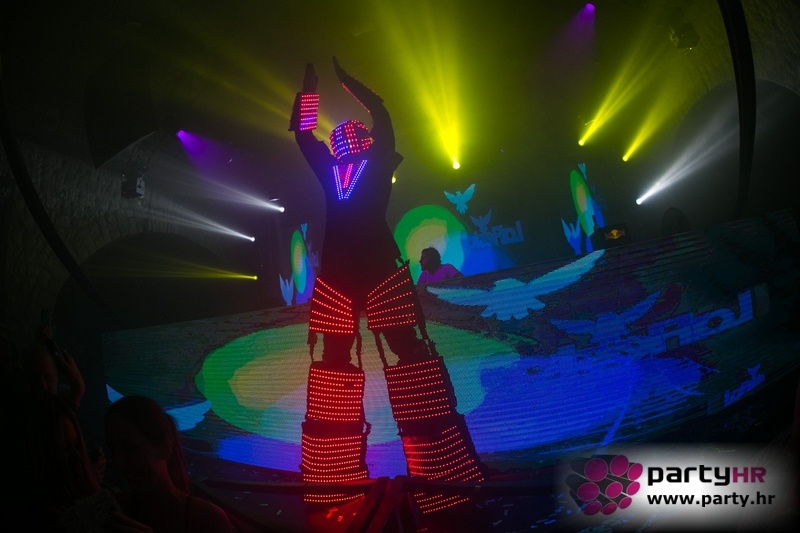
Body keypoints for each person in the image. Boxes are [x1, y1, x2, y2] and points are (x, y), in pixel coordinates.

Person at [103, 395, 233, 533]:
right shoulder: (111, 510)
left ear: (164, 446)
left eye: (130, 449)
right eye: (113, 450)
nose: (119, 463)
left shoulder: (208, 519)